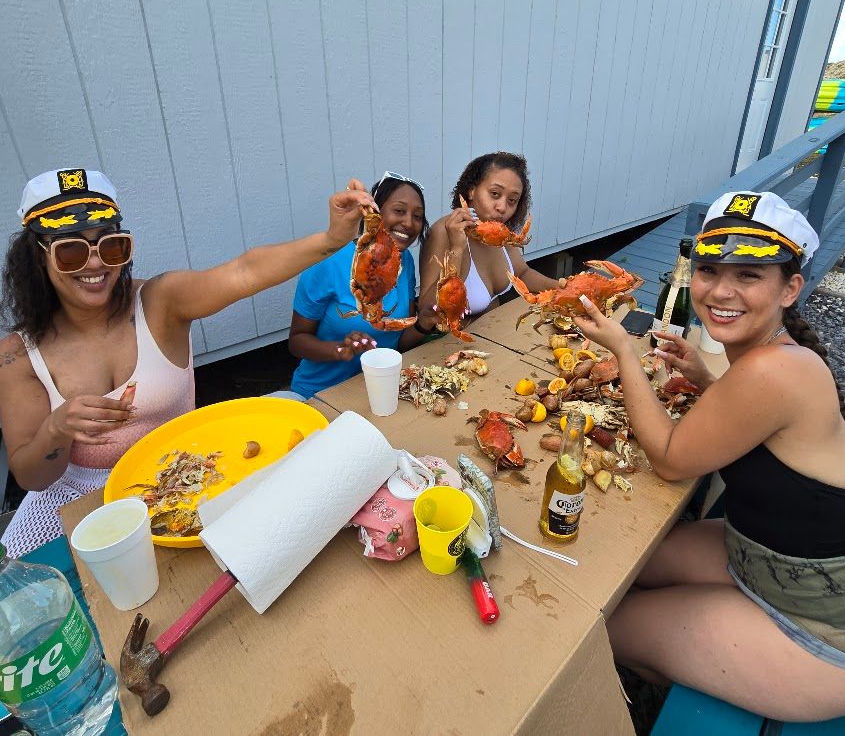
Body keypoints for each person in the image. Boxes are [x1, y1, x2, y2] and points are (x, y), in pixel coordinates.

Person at [575, 191, 845, 721]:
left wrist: (623, 350)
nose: (721, 290)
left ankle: (682, 682)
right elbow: (761, 424)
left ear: (791, 288)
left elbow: (668, 456)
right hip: (760, 553)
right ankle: (696, 659)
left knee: (608, 628)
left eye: (750, 275)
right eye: (710, 269)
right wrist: (708, 380)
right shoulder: (771, 360)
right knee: (626, 567)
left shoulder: (772, 371)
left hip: (831, 630)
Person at [0, 168, 377, 557]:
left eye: (110, 246)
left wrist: (331, 240)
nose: (95, 264)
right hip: (78, 509)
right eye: (71, 250)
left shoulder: (160, 302)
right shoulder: (18, 356)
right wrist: (56, 429)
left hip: (185, 481)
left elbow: (243, 271)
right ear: (38, 257)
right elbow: (32, 476)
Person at [288, 171, 438, 399]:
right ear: (375, 212)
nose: (408, 222)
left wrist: (424, 324)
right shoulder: (327, 262)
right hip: (320, 394)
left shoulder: (404, 260)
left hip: (378, 391)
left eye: (418, 216)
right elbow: (297, 341)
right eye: (399, 211)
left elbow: (399, 341)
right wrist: (340, 349)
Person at [418, 152, 559, 321]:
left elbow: (522, 273)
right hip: (453, 342)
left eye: (512, 200)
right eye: (495, 194)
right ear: (471, 190)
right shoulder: (443, 232)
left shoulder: (500, 231)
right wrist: (457, 248)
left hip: (495, 334)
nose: (502, 207)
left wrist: (563, 288)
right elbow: (426, 308)